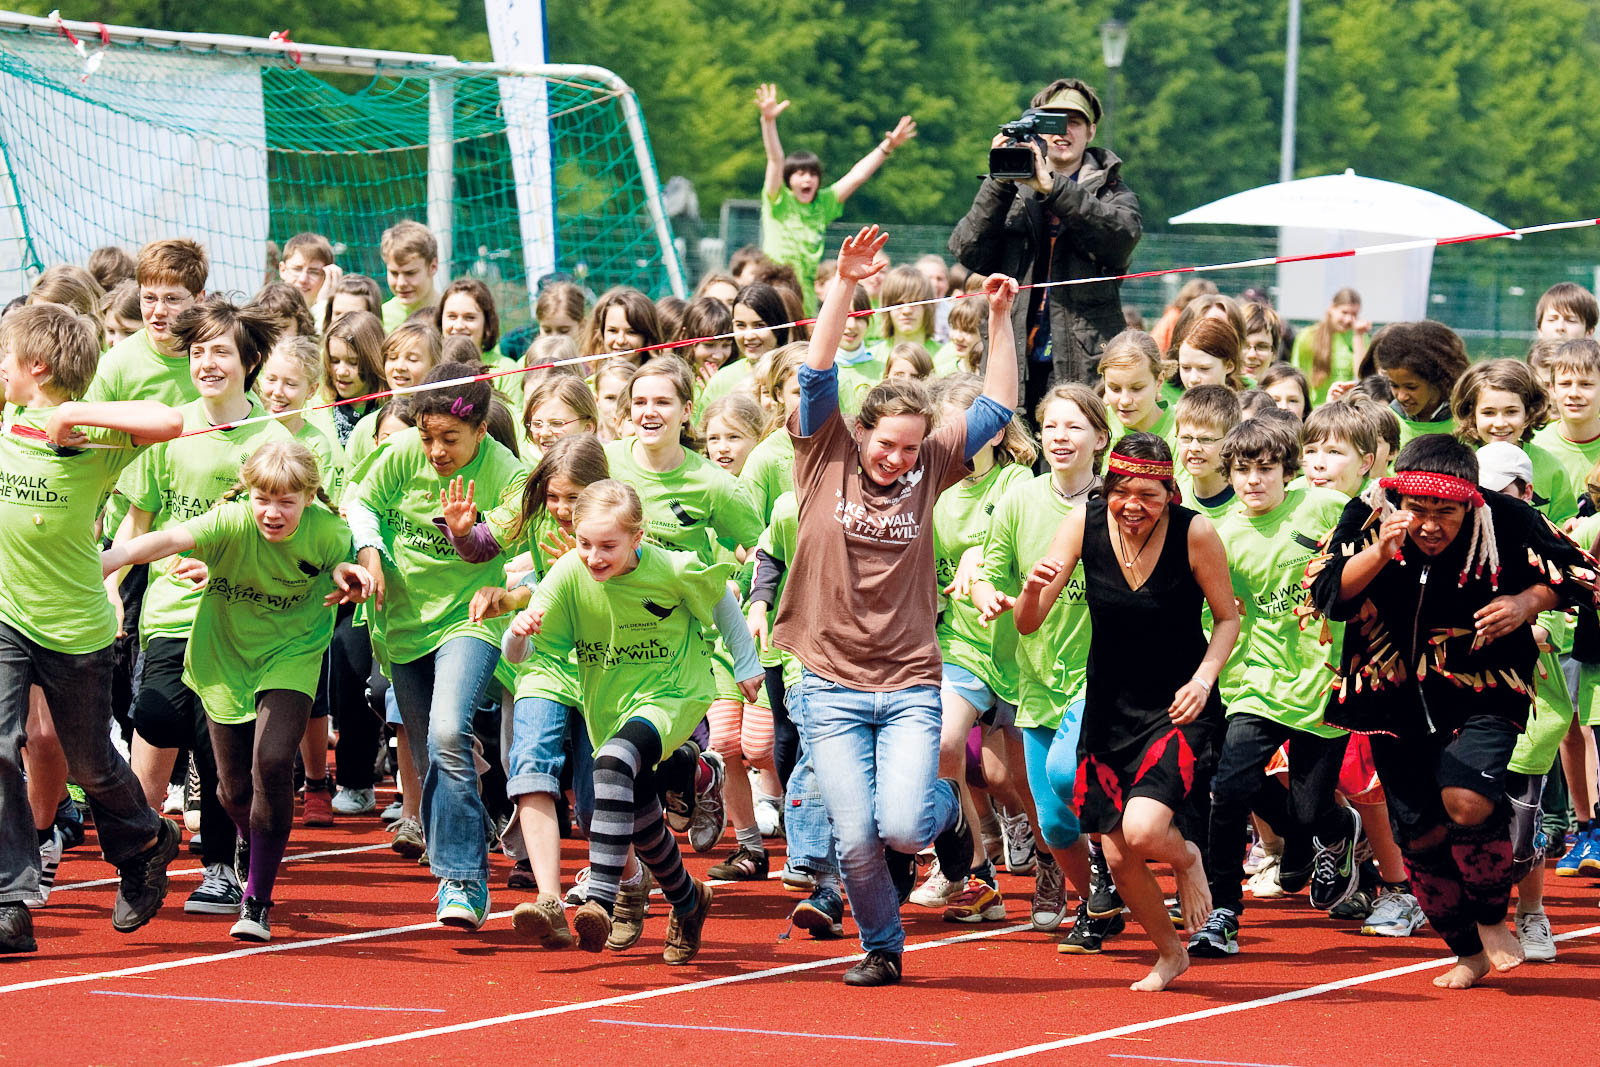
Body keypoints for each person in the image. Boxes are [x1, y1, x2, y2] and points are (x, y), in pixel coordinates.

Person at [770, 225, 1018, 986]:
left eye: (911, 448)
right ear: (861, 433)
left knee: (903, 825)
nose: (898, 457)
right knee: (855, 838)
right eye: (889, 444)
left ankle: (945, 810)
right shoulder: (824, 452)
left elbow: (1000, 406)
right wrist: (843, 284)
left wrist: (1001, 322)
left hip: (909, 682)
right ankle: (882, 943)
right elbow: (818, 366)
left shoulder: (934, 464)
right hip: (831, 684)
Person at [1305, 435, 1599, 988]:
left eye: (1447, 512)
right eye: (1419, 510)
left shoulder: (1507, 518)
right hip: (1388, 691)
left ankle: (1492, 918)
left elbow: (1581, 576)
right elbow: (1328, 595)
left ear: (1472, 502)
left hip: (1482, 685)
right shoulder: (1367, 515)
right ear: (1399, 500)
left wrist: (1527, 602)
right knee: (1416, 835)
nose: (1431, 525)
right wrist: (1378, 551)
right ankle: (1466, 950)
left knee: (1465, 800)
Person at [99, 441, 371, 942]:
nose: (272, 512)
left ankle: (257, 900)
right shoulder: (230, 520)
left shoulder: (330, 533)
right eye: (263, 498)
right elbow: (160, 540)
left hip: (290, 655)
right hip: (223, 658)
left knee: (270, 762)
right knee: (232, 790)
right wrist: (106, 564)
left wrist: (350, 575)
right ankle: (254, 837)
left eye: (287, 501)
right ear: (248, 493)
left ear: (309, 497)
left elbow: (348, 563)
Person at [1015, 431, 1240, 992]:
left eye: (1150, 495)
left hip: (1177, 707)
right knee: (1116, 855)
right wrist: (1029, 591)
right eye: (1123, 492)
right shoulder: (1083, 524)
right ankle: (1169, 954)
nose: (1133, 506)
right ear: (1107, 487)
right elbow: (1028, 623)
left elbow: (1228, 619)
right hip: (1108, 710)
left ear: (1170, 494)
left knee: (1142, 832)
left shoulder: (1196, 533)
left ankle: (1189, 858)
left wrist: (1203, 680)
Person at [508, 479, 763, 962]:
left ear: (637, 538)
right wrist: (517, 635)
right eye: (585, 544)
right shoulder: (567, 573)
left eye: (608, 546)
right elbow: (523, 655)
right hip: (611, 705)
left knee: (612, 761)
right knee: (643, 820)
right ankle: (689, 900)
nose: (594, 556)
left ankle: (600, 898)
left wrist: (746, 662)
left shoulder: (671, 568)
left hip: (674, 693)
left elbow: (721, 599)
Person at [0, 303, 184, 954]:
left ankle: (143, 839)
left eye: (7, 359)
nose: (1, 368)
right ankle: (13, 903)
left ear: (38, 369)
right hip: (7, 616)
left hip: (76, 625)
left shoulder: (91, 444)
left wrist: (73, 414)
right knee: (3, 745)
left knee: (90, 759)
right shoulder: (7, 417)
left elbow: (168, 420)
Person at [349, 364, 525, 931]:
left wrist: (462, 533)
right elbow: (360, 502)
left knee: (450, 730)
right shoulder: (401, 454)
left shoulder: (509, 475)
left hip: (471, 619)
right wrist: (371, 551)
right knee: (431, 756)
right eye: (427, 437)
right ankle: (463, 845)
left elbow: (486, 548)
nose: (436, 451)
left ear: (479, 430)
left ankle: (464, 881)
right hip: (401, 622)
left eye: (450, 439)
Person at [1188, 418, 1359, 958]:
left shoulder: (1325, 509)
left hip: (1327, 681)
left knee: (1309, 814)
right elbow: (1218, 613)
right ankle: (1223, 911)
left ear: (1289, 472)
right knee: (1230, 787)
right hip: (1258, 682)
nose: (1254, 481)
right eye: (1242, 470)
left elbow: (1372, 549)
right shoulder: (1222, 535)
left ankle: (1337, 831)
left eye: (1266, 469)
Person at [969, 383, 1109, 948]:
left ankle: (1120, 872)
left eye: (1074, 426)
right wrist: (983, 591)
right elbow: (989, 568)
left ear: (1101, 437)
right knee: (1052, 825)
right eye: (1051, 425)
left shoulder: (1118, 503)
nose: (1060, 436)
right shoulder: (1020, 501)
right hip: (1035, 678)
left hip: (1101, 678)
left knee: (1059, 772)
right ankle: (1098, 902)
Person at [950, 77, 1141, 409]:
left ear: (1091, 131)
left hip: (1084, 365)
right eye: (1050, 123)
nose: (1062, 132)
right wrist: (999, 181)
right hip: (1012, 358)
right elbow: (968, 251)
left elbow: (1119, 241)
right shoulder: (1009, 189)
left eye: (1074, 122)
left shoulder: (1112, 192)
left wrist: (1052, 188)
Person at [754, 82, 916, 313]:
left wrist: (888, 146)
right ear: (788, 179)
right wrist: (768, 121)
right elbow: (775, 159)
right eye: (800, 174)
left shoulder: (824, 203)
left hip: (806, 295)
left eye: (812, 174)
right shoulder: (777, 200)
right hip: (774, 289)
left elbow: (857, 175)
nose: (807, 180)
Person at [1291, 287, 1368, 406]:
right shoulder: (1307, 336)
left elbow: (1361, 375)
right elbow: (1295, 376)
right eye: (1344, 312)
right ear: (1332, 308)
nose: (1348, 319)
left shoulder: (1360, 337)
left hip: (1342, 411)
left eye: (1354, 314)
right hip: (1313, 411)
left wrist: (1358, 336)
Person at [379, 221, 441, 330]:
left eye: (410, 273)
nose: (401, 283)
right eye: (394, 273)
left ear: (433, 267)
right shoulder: (380, 318)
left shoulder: (451, 317)